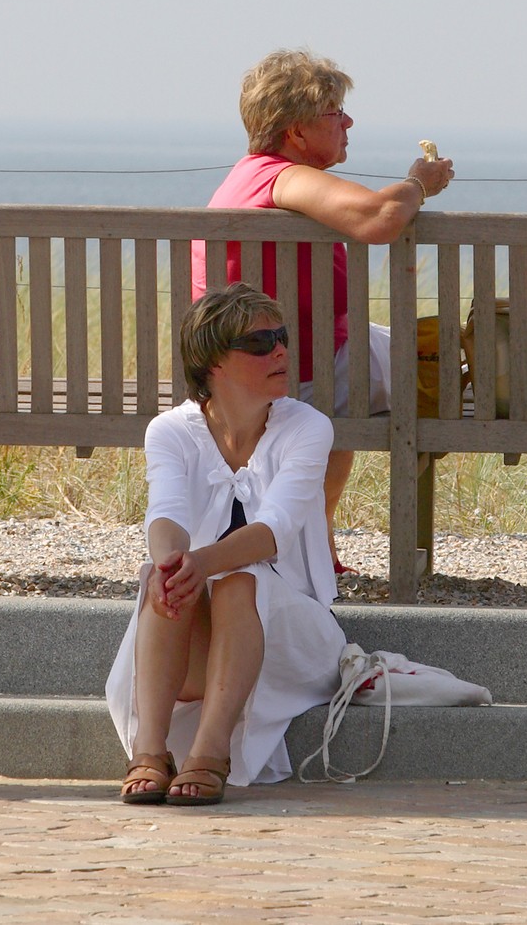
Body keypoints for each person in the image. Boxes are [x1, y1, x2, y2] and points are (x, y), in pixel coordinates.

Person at [198, 49, 453, 564]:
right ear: (295, 131)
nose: (348, 122)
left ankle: (314, 534)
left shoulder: (246, 178)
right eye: (335, 112)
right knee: (444, 366)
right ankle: (314, 532)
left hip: (247, 368)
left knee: (409, 355)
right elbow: (379, 217)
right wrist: (418, 184)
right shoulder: (283, 178)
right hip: (293, 372)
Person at [106, 284, 347, 805]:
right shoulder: (170, 430)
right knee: (162, 574)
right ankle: (150, 751)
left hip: (292, 640)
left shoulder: (308, 427)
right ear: (212, 362)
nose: (280, 351)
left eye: (281, 337)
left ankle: (210, 753)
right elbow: (165, 513)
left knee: (241, 578)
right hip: (200, 642)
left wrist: (201, 562)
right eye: (260, 343)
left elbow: (274, 530)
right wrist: (174, 563)